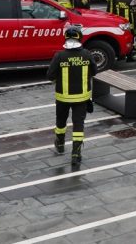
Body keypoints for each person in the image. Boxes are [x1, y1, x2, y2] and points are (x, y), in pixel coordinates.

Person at [47, 25, 94, 166]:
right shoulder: (87, 54)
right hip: (82, 98)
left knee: (61, 123)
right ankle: (76, 154)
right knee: (78, 125)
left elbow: (50, 75)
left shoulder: (59, 56)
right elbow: (95, 71)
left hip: (62, 98)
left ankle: (60, 144)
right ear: (80, 37)